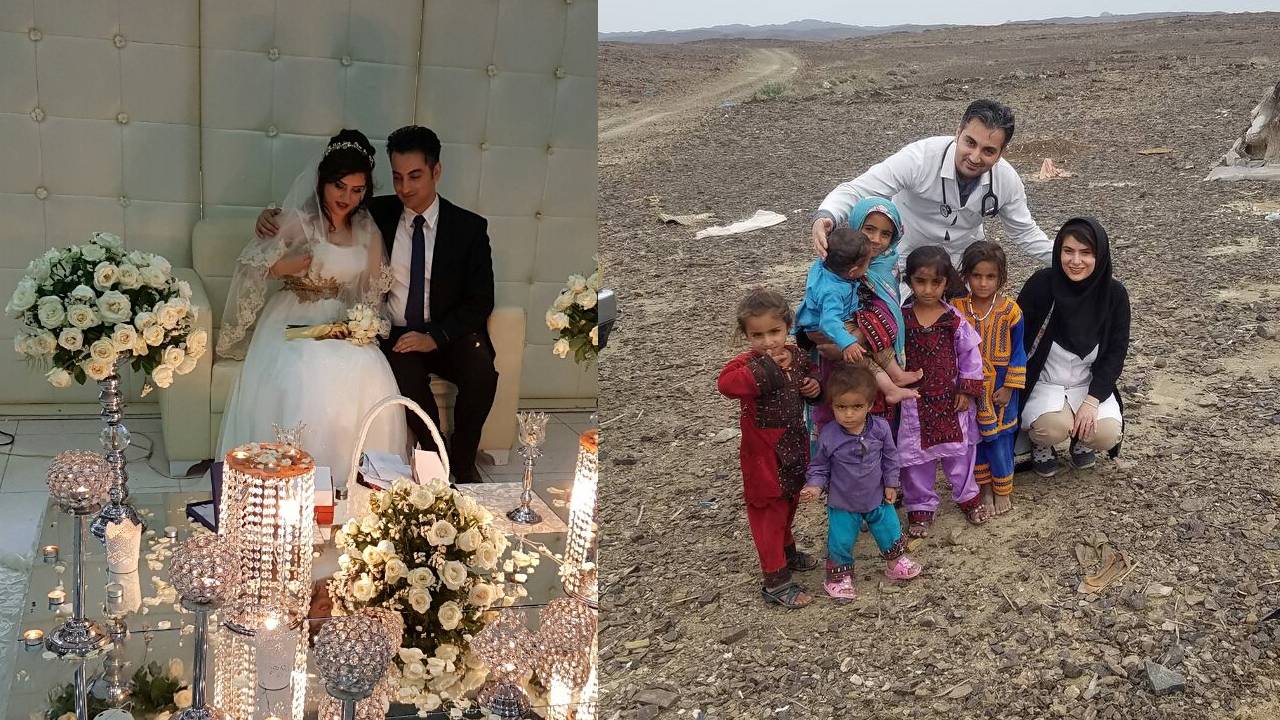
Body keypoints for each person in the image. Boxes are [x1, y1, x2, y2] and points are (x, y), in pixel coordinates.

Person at [258, 126, 496, 484]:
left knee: (482, 371)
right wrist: (268, 219)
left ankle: (462, 461)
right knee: (400, 373)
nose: (404, 188)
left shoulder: (469, 228)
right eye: (397, 177)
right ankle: (434, 458)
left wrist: (436, 336)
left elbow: (481, 300)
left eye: (415, 176)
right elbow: (318, 215)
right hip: (392, 331)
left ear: (436, 171)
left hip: (448, 332)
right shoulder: (375, 213)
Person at [217, 130, 406, 488]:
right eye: (339, 187)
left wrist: (362, 324)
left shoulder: (367, 229)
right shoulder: (300, 220)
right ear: (321, 182)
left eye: (357, 190)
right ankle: (297, 478)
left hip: (338, 322)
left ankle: (353, 481)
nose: (347, 198)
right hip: (293, 317)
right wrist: (285, 268)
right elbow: (250, 265)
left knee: (368, 370)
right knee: (307, 371)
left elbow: (371, 292)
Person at [810, 99, 1051, 281]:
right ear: (958, 133)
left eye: (988, 151)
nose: (975, 157)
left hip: (961, 267)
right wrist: (826, 216)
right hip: (907, 265)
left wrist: (1071, 259)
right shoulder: (919, 159)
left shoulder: (1006, 180)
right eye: (970, 143)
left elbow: (1026, 234)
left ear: (1001, 153)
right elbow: (858, 190)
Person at [717, 288, 822, 609]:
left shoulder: (796, 355)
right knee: (768, 511)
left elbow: (811, 377)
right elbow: (726, 385)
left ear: (787, 327)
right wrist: (766, 369)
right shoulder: (746, 363)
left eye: (774, 332)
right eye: (757, 335)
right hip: (762, 456)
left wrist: (813, 388)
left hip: (793, 445)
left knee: (789, 501)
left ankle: (786, 550)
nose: (768, 342)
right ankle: (774, 580)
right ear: (746, 335)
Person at [1016, 218, 1129, 477]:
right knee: (1051, 427)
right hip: (1044, 382)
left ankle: (1082, 439)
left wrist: (1092, 401)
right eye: (1068, 251)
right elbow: (1016, 337)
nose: (1075, 261)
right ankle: (1039, 443)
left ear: (1099, 255)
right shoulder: (1041, 286)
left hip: (1086, 384)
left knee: (1107, 433)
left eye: (1086, 253)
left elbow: (1115, 354)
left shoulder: (1114, 296)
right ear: (1058, 252)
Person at [799, 364, 922, 601]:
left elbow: (890, 457)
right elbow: (820, 466)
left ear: (870, 404)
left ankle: (895, 562)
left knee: (890, 529)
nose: (848, 414)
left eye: (856, 406)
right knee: (841, 539)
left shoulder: (880, 428)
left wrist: (891, 484)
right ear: (832, 405)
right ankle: (838, 577)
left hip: (877, 497)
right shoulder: (829, 435)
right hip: (843, 502)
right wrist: (814, 485)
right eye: (841, 407)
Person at [896, 246, 988, 538]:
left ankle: (967, 496)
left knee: (959, 454)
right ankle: (920, 505)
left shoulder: (954, 321)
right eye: (920, 281)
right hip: (914, 403)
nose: (927, 289)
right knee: (916, 458)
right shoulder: (901, 319)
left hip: (951, 401)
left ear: (946, 283)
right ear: (909, 281)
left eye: (935, 282)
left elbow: (970, 357)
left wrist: (967, 390)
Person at [794, 224, 920, 403]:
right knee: (860, 354)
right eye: (867, 263)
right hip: (828, 325)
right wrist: (847, 343)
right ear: (853, 272)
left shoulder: (828, 263)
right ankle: (891, 388)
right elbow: (829, 322)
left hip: (837, 319)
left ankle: (897, 375)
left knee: (874, 336)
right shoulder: (833, 291)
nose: (868, 266)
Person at [955, 241, 1026, 517]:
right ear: (966, 276)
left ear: (1001, 277)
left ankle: (1003, 489)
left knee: (1001, 439)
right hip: (971, 385)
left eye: (990, 277)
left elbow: (1019, 351)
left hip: (1001, 387)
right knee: (975, 439)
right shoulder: (957, 307)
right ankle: (983, 486)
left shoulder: (1011, 310)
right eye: (976, 276)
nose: (983, 283)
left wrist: (1009, 387)